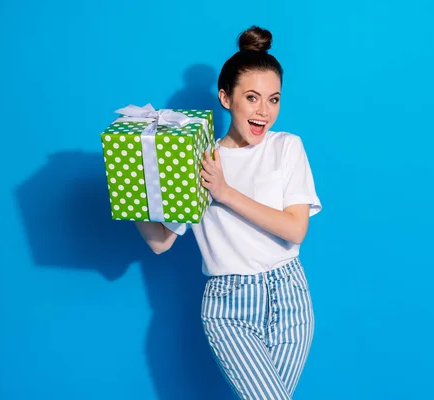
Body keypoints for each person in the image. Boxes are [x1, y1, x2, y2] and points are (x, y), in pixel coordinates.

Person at [134, 25, 322, 400]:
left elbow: (295, 229)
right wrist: (137, 185)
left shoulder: (287, 147)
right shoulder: (198, 161)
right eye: (252, 98)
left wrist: (224, 191)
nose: (264, 111)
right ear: (225, 97)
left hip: (289, 297)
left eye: (274, 99)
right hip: (228, 307)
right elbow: (159, 242)